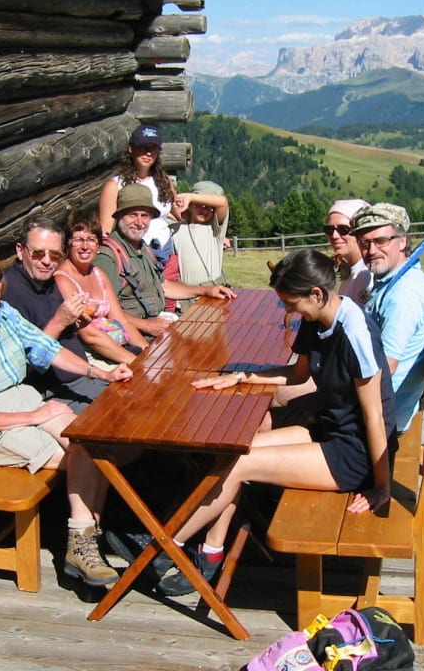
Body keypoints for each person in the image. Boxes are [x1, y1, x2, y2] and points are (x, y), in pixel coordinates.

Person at [115, 249, 396, 597]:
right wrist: (244, 376)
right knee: (236, 450)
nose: (288, 314)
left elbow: (375, 415)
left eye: (291, 305)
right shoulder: (316, 319)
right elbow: (297, 373)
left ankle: (161, 547)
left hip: (355, 453)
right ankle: (211, 552)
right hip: (327, 429)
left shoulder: (355, 334)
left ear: (317, 294)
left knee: (241, 464)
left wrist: (382, 487)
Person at [0, 245, 133, 587]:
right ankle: (85, 542)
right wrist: (35, 414)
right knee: (86, 454)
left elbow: (48, 349)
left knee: (91, 442)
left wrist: (102, 374)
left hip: (27, 401)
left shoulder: (5, 314)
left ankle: (85, 539)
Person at [93, 183, 236, 339]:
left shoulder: (143, 249)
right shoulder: (109, 256)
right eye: (132, 215)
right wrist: (147, 326)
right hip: (132, 341)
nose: (139, 222)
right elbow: (101, 310)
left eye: (145, 215)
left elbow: (163, 285)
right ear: (119, 216)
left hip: (155, 332)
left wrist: (205, 290)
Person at [270, 198, 373, 412]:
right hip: (332, 368)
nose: (334, 236)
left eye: (344, 229)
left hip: (346, 383)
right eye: (329, 229)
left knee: (271, 396)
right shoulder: (347, 270)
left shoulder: (366, 277)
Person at [1, 214, 111, 411]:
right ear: (20, 251)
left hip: (83, 377)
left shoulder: (48, 281)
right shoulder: (10, 293)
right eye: (38, 253)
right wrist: (60, 321)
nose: (46, 261)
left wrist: (77, 321)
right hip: (55, 392)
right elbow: (21, 365)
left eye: (54, 255)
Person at [351, 203, 424, 435]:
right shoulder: (398, 280)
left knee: (269, 410)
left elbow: (384, 370)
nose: (371, 251)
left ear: (403, 241)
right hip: (371, 408)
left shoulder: (403, 296)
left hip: (375, 421)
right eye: (364, 243)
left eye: (381, 241)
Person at [54, 212, 148, 366]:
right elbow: (89, 334)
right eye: (78, 240)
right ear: (68, 244)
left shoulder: (98, 274)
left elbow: (121, 320)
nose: (85, 246)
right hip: (88, 355)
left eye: (91, 240)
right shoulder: (62, 279)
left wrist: (147, 351)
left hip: (115, 347)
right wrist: (136, 362)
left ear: (98, 245)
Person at [98, 123, 178, 270]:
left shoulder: (164, 182)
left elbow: (178, 213)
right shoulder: (115, 186)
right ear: (131, 149)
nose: (148, 153)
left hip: (166, 251)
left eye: (153, 149)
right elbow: (106, 231)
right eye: (143, 147)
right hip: (135, 254)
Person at [171, 180, 230, 288]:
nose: (204, 210)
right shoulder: (176, 228)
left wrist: (191, 197)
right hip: (186, 295)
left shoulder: (215, 228)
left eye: (209, 207)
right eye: (200, 205)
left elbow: (223, 203)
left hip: (213, 291)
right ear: (191, 205)